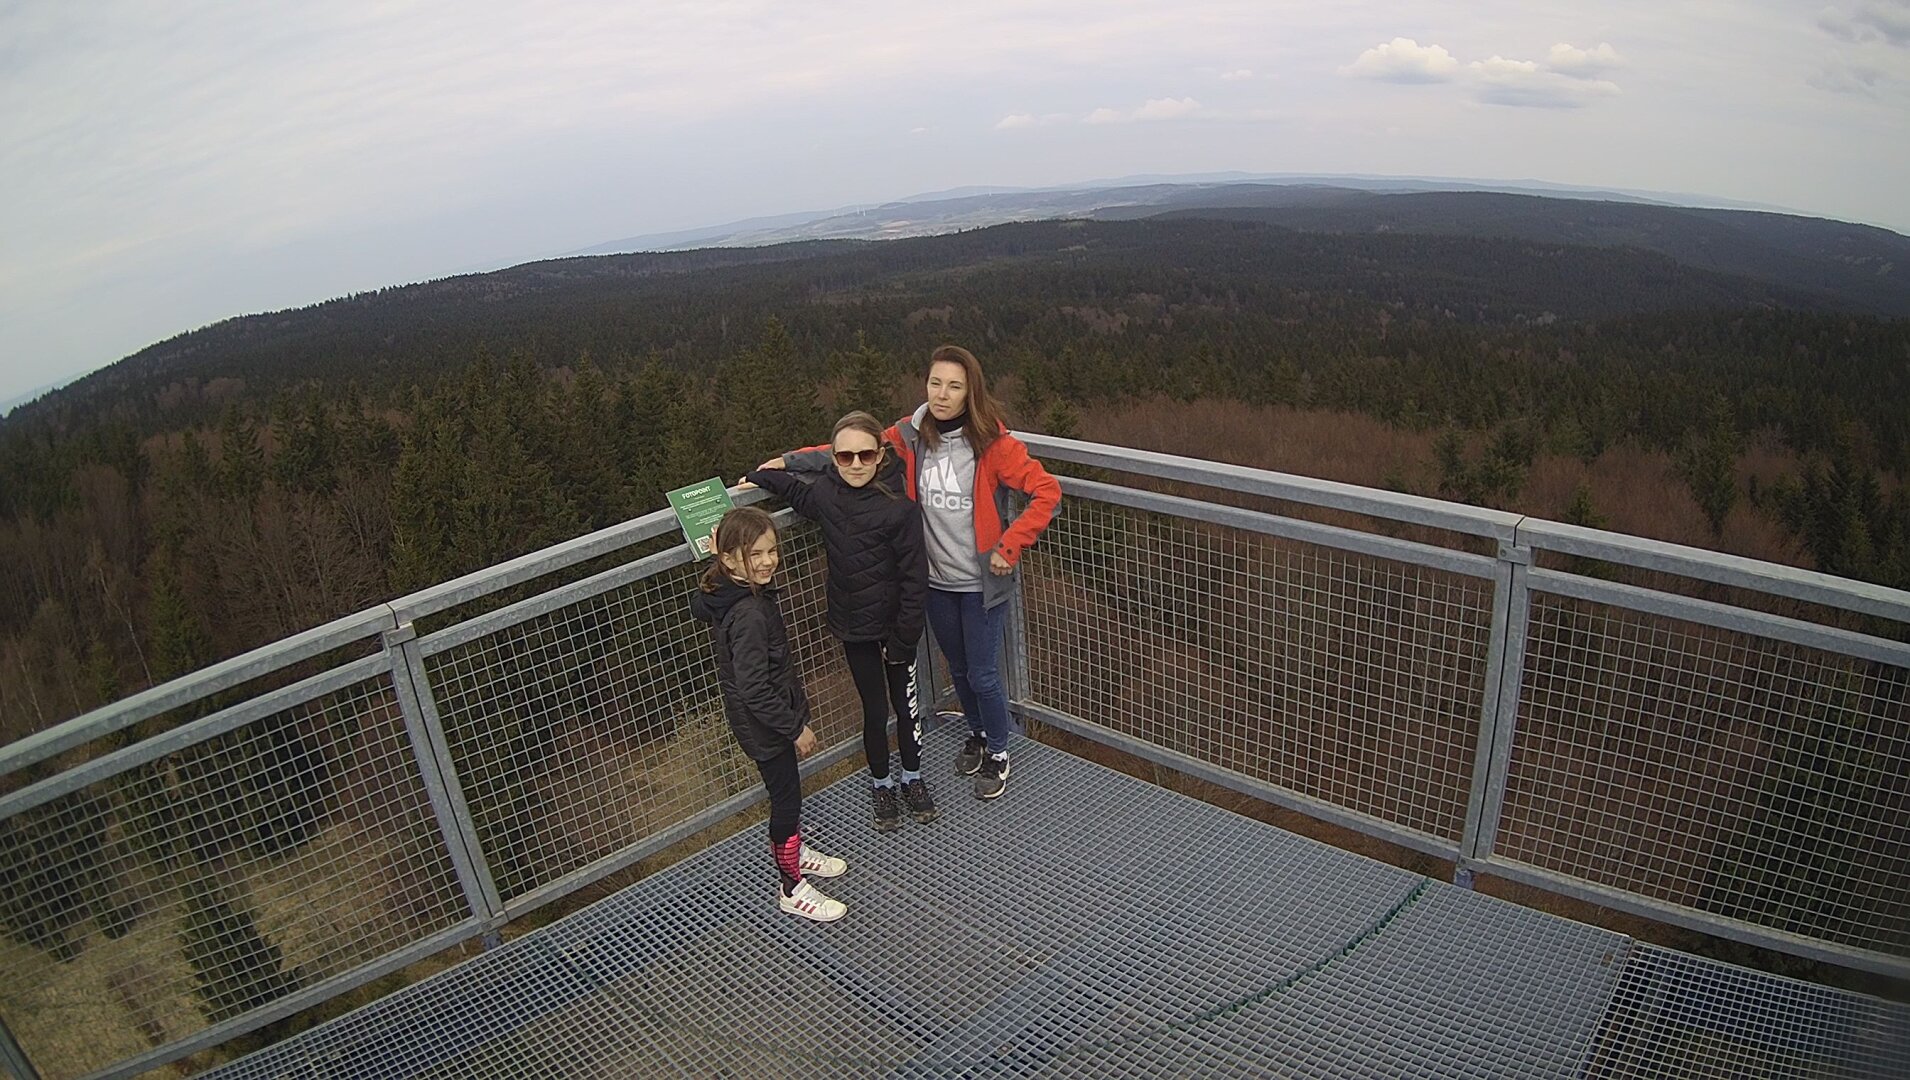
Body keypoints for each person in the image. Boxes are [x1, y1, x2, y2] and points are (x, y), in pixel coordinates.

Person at [762, 345, 1061, 800]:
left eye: (954, 386)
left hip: (980, 583)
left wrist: (1010, 544)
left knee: (982, 674)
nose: (942, 394)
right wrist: (788, 461)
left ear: (971, 392)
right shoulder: (911, 435)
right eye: (935, 383)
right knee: (957, 668)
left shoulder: (995, 445)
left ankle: (1000, 751)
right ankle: (978, 734)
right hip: (936, 581)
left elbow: (1047, 491)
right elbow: (850, 448)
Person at [745, 411, 939, 832]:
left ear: (881, 455)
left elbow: (915, 579)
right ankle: (882, 784)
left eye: (865, 455)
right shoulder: (827, 495)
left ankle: (912, 777)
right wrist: (763, 476)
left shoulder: (900, 509)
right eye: (845, 456)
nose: (855, 464)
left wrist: (905, 638)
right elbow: (795, 492)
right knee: (874, 710)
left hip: (895, 629)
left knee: (906, 708)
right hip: (854, 627)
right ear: (832, 458)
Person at [689, 505, 849, 922]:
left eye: (771, 551)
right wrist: (795, 728)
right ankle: (791, 886)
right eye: (754, 554)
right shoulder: (749, 614)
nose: (767, 562)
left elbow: (700, 603)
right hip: (766, 726)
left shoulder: (725, 593)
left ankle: (795, 853)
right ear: (729, 560)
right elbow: (754, 688)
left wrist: (720, 559)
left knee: (787, 796)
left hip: (760, 721)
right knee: (786, 801)